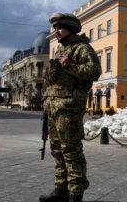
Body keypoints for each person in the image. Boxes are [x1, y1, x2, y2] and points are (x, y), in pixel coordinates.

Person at [40, 12, 102, 202]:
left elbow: (95, 71)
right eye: (55, 28)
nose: (56, 31)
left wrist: (69, 66)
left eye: (59, 28)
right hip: (53, 108)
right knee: (57, 150)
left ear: (71, 28)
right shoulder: (60, 51)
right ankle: (61, 189)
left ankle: (75, 193)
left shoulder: (82, 48)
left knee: (71, 150)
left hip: (69, 108)